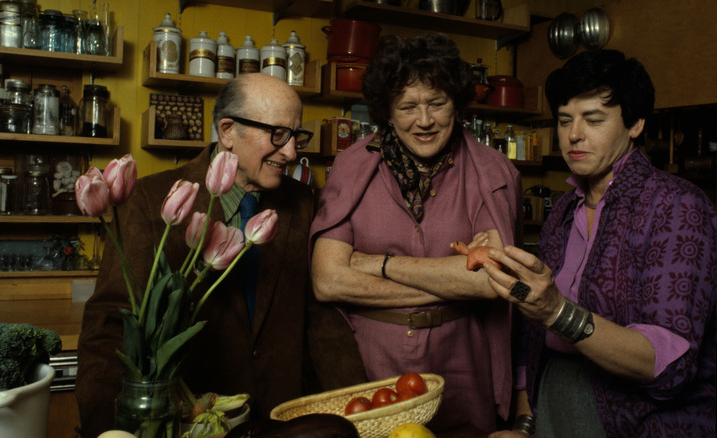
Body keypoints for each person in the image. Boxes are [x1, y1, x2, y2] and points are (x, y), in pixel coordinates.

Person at [76, 73, 365, 437]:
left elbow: (321, 317)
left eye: (296, 136)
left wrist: (360, 409)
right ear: (227, 130)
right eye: (277, 135)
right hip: (190, 424)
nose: (291, 152)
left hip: (282, 421)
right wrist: (106, 430)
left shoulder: (303, 202)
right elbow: (109, 328)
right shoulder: (152, 201)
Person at [485, 49, 716, 438]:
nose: (574, 134)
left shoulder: (677, 206)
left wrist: (558, 312)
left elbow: (669, 364)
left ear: (636, 124)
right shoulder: (562, 210)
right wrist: (525, 425)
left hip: (639, 422)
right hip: (554, 408)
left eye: (593, 120)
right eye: (564, 121)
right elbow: (532, 337)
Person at [309, 33, 523, 434]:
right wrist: (457, 276)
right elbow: (327, 279)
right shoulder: (352, 166)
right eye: (407, 107)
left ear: (456, 106)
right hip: (373, 362)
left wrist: (376, 264)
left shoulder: (492, 171)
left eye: (437, 103)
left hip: (463, 358)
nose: (424, 121)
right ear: (387, 113)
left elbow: (494, 283)